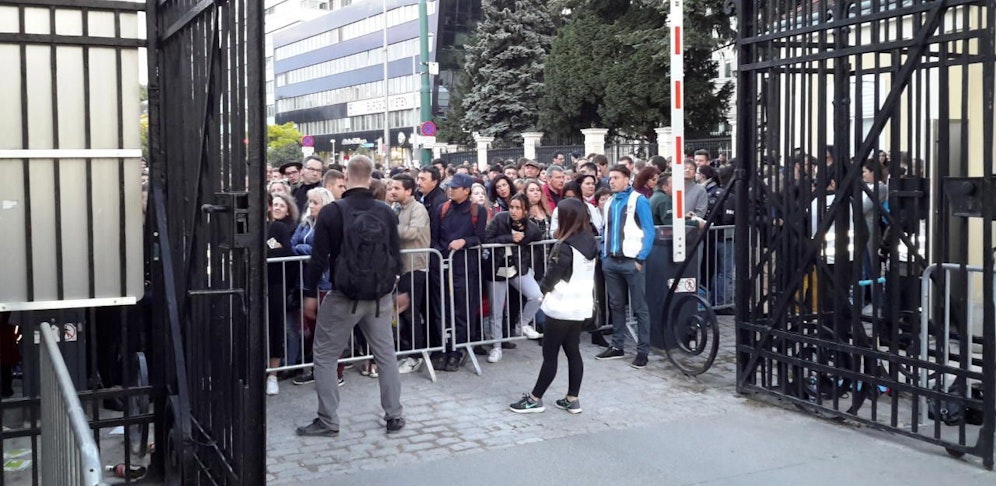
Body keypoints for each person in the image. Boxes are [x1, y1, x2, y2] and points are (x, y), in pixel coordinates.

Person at [296, 155, 406, 437]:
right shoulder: (385, 212)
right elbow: (396, 254)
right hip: (379, 295)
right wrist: (398, 287)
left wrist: (309, 293)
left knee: (324, 354)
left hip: (343, 295)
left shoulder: (332, 212)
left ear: (345, 176)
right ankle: (394, 415)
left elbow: (318, 258)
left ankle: (328, 419)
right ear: (371, 177)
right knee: (386, 355)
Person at [509, 198, 598, 414]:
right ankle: (572, 398)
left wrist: (542, 293)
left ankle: (534, 399)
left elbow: (551, 277)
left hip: (560, 306)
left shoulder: (565, 246)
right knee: (573, 351)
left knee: (550, 355)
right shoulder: (590, 241)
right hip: (580, 304)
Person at [595, 165, 655, 369]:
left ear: (626, 179)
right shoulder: (610, 202)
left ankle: (643, 351)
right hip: (612, 261)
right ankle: (617, 346)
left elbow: (649, 230)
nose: (611, 181)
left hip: (631, 261)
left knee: (640, 308)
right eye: (610, 178)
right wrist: (604, 255)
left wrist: (640, 259)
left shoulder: (639, 200)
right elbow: (606, 230)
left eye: (616, 178)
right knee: (616, 305)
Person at [430, 173, 487, 372]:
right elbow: (434, 238)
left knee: (462, 310)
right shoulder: (441, 209)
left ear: (466, 191)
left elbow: (480, 237)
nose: (451, 190)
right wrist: (440, 255)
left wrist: (464, 241)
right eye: (450, 187)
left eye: (455, 187)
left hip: (465, 268)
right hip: (442, 267)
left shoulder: (478, 211)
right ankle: (443, 349)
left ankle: (457, 351)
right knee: (441, 310)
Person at [485, 193, 544, 361]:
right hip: (496, 270)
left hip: (518, 269)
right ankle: (496, 347)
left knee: (537, 296)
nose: (513, 211)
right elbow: (486, 238)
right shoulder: (499, 219)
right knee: (496, 312)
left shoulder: (531, 228)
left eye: (518, 208)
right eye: (511, 207)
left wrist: (531, 266)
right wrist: (509, 238)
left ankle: (522, 325)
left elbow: (538, 246)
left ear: (525, 211)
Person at [288, 187, 336, 386]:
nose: (311, 206)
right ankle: (317, 368)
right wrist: (305, 249)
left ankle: (334, 372)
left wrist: (303, 249)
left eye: (315, 202)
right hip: (306, 281)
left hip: (324, 281)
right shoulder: (305, 223)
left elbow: (321, 250)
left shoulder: (330, 225)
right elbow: (291, 244)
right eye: (310, 202)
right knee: (312, 327)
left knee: (326, 329)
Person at [389, 174, 431, 375]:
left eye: (396, 188)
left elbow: (412, 233)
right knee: (402, 312)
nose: (392, 191)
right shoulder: (398, 208)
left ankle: (416, 356)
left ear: (408, 190)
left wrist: (389, 227)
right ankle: (408, 351)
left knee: (410, 312)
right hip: (402, 268)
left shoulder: (418, 209)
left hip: (416, 267)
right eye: (391, 187)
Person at [266, 193, 295, 396]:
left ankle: (273, 375)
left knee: (275, 327)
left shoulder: (276, 227)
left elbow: (285, 251)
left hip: (275, 283)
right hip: (251, 284)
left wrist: (271, 247)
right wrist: (272, 246)